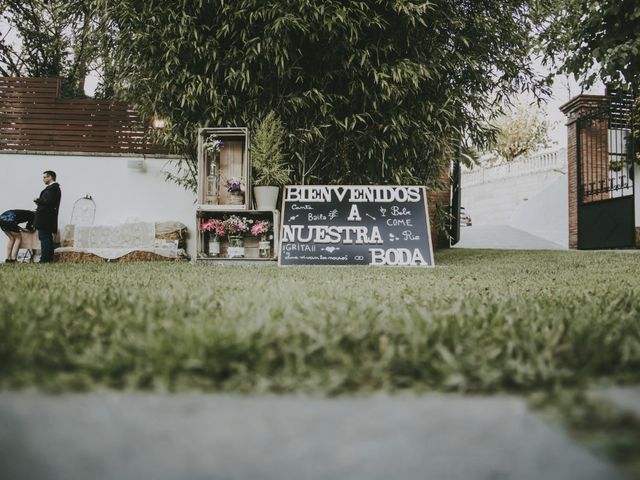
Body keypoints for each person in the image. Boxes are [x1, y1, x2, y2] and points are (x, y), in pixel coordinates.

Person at [33, 170, 62, 264]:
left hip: (45, 218)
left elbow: (49, 202)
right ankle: (48, 258)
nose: (43, 179)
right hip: (47, 217)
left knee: (44, 237)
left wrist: (38, 200)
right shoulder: (53, 188)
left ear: (50, 177)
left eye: (45, 177)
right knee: (47, 237)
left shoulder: (52, 188)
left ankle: (45, 259)